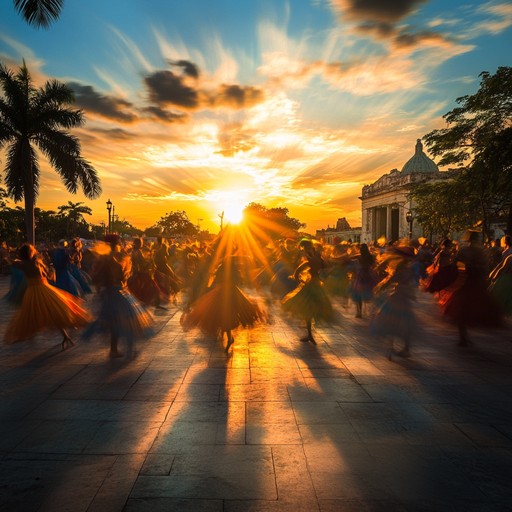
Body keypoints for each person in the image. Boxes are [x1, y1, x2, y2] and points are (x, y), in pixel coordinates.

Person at [4, 243, 91, 348]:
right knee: (55, 313)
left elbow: (10, 262)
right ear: (31, 253)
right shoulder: (37, 263)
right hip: (44, 289)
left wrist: (10, 257)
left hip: (31, 292)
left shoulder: (21, 265)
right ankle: (65, 336)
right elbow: (47, 276)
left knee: (30, 315)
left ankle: (28, 335)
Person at [84, 235, 154, 358]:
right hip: (117, 293)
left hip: (115, 292)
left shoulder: (108, 258)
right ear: (114, 244)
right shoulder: (112, 259)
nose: (120, 244)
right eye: (118, 242)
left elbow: (97, 277)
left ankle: (116, 349)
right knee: (127, 319)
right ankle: (122, 348)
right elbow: (119, 276)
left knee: (116, 321)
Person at [443, 231, 503, 346]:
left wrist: (463, 268)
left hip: (465, 279)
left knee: (461, 308)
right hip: (475, 280)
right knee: (475, 305)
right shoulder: (480, 251)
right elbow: (485, 266)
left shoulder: (463, 250)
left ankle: (463, 337)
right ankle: (465, 336)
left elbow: (455, 263)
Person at [282, 239, 334, 344]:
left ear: (306, 248)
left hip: (310, 286)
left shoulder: (310, 259)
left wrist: (299, 279)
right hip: (317, 286)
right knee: (311, 310)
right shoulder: (319, 258)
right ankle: (310, 334)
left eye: (304, 249)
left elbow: (297, 272)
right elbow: (326, 267)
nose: (303, 251)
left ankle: (310, 335)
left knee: (307, 309)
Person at [370, 245, 417, 358]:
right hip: (404, 296)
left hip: (397, 295)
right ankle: (406, 348)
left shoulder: (401, 266)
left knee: (389, 320)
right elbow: (410, 281)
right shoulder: (410, 267)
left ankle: (391, 347)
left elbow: (392, 279)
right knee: (405, 322)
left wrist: (380, 287)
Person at [349, 243, 377, 318]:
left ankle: (359, 312)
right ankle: (373, 311)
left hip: (361, 274)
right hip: (369, 274)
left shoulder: (359, 256)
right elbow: (374, 264)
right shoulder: (371, 256)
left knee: (358, 294)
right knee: (370, 291)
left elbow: (350, 258)